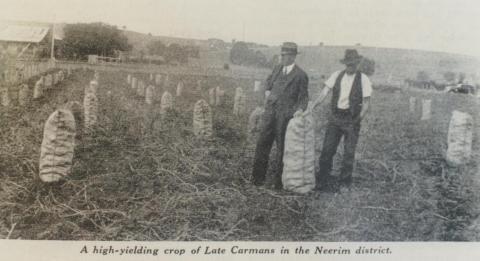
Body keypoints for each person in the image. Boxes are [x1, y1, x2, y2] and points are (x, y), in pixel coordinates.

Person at [311, 49, 372, 191]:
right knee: (327, 149)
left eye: (353, 64)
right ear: (345, 64)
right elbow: (324, 93)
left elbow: (367, 103)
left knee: (349, 152)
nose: (350, 67)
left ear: (357, 64)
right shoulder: (337, 75)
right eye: (348, 64)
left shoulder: (363, 79)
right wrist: (312, 106)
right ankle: (322, 179)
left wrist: (358, 119)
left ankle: (344, 182)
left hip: (352, 119)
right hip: (335, 117)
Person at [252, 42, 309, 189]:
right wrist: (265, 92)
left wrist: (299, 110)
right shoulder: (277, 69)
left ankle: (278, 183)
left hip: (285, 116)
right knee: (262, 144)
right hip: (270, 112)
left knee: (282, 149)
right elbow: (267, 83)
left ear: (292, 56)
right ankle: (257, 180)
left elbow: (303, 98)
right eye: (281, 55)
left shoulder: (301, 75)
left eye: (285, 55)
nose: (282, 58)